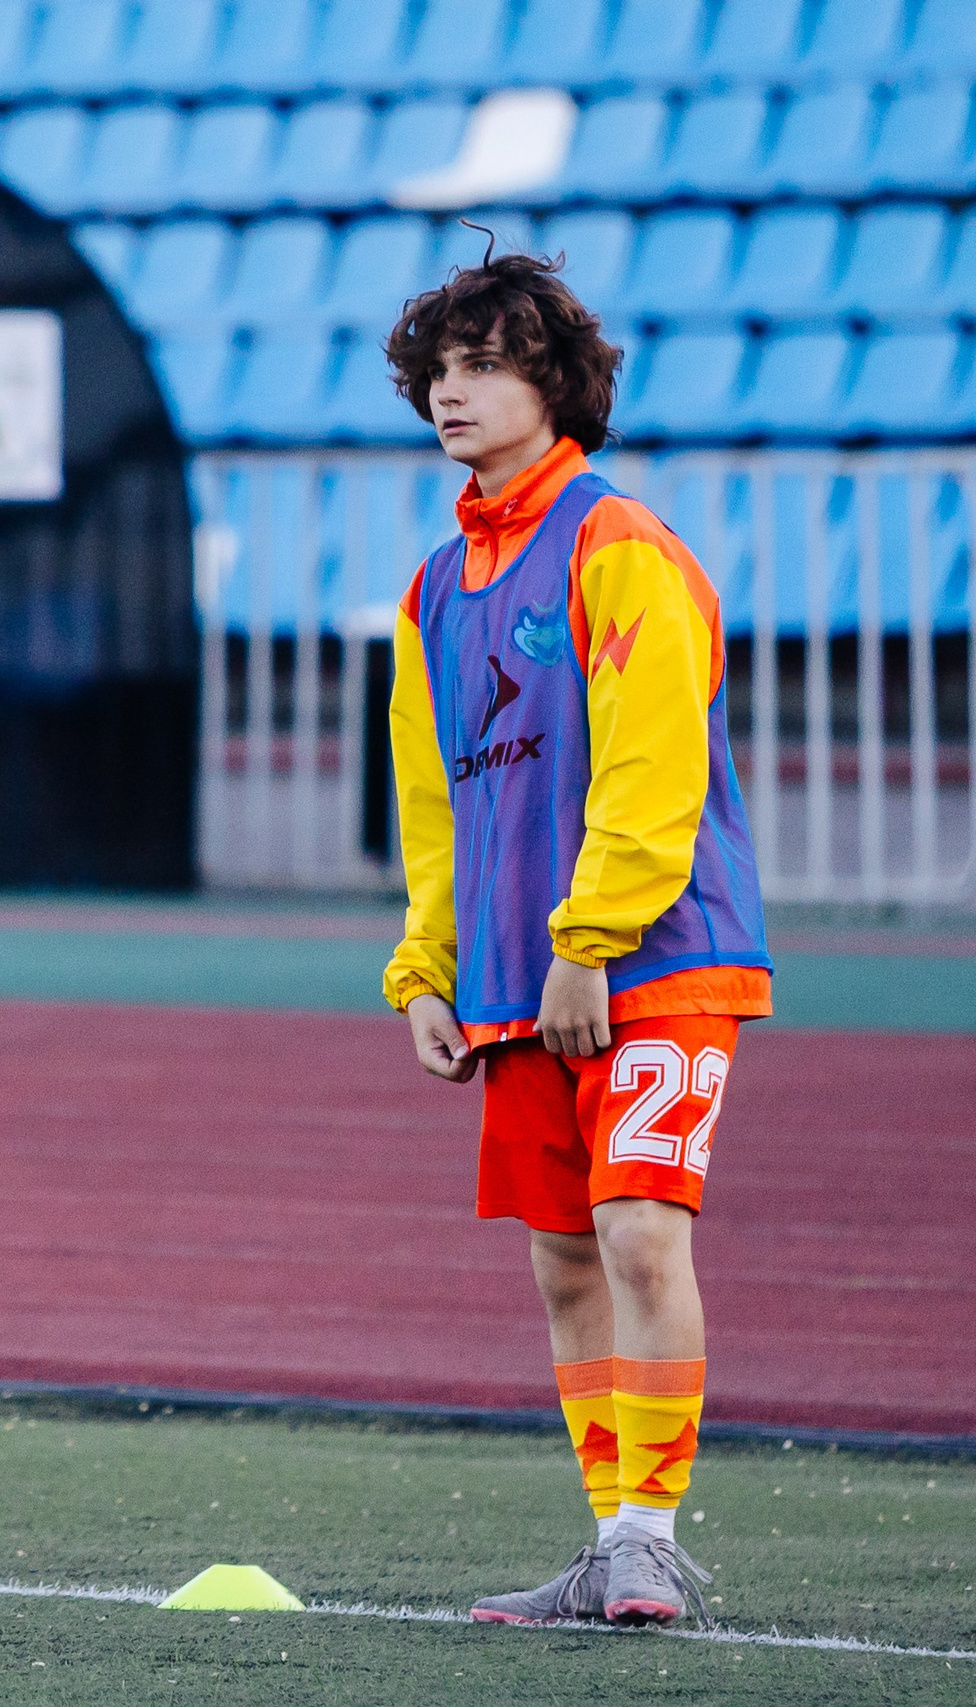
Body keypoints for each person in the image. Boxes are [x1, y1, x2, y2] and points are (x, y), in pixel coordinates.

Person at [381, 251, 771, 1626]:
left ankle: (653, 1539)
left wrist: (590, 936)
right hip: (512, 980)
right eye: (438, 370)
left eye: (483, 364)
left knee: (638, 1234)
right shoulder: (435, 589)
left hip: (656, 959)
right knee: (563, 1258)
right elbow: (433, 803)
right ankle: (613, 1539)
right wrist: (424, 968)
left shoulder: (620, 547)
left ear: (555, 385)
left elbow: (654, 766)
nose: (452, 391)